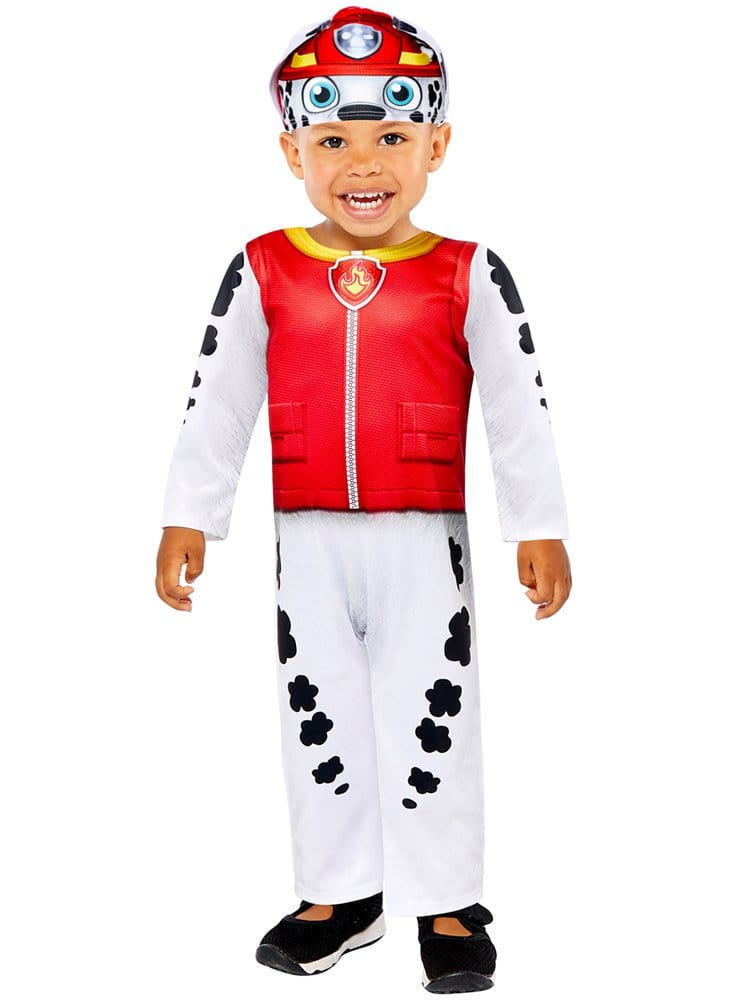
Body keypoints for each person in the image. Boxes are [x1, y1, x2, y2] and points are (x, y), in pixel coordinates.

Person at [155, 6, 572, 993]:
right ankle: (338, 895)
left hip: (426, 541)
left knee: (437, 711)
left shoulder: (466, 275)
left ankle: (448, 900)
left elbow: (519, 405)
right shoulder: (264, 270)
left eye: (391, 136)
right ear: (293, 151)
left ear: (437, 146)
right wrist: (190, 512)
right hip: (305, 541)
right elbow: (218, 396)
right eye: (334, 141)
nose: (363, 164)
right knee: (317, 713)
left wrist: (538, 524)